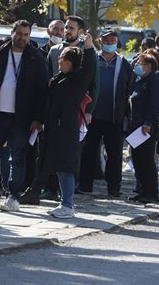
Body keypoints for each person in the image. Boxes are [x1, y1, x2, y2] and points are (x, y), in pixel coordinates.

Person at [0, 20, 47, 212]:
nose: (22, 38)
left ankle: (13, 197)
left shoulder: (36, 58)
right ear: (12, 33)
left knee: (17, 157)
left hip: (23, 117)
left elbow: (42, 90)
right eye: (19, 33)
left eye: (26, 35)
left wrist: (38, 118)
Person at [39, 32, 96, 218]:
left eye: (62, 59)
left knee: (66, 168)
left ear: (70, 62)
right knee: (60, 167)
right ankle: (65, 203)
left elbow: (88, 69)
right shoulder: (60, 78)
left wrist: (88, 47)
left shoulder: (77, 80)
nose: (58, 62)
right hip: (56, 128)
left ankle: (68, 204)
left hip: (67, 128)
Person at [77, 28, 133, 196]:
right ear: (100, 41)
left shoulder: (123, 63)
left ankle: (114, 187)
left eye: (112, 40)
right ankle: (85, 184)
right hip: (92, 115)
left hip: (114, 116)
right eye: (106, 40)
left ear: (117, 42)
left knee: (115, 154)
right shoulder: (93, 59)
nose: (109, 43)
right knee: (88, 152)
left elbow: (129, 88)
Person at [127, 53, 159, 204]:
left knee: (146, 160)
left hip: (146, 126)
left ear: (148, 66)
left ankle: (151, 193)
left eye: (139, 63)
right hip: (136, 125)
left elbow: (155, 103)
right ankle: (142, 191)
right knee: (137, 159)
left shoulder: (154, 80)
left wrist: (148, 122)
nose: (136, 65)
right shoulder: (140, 79)